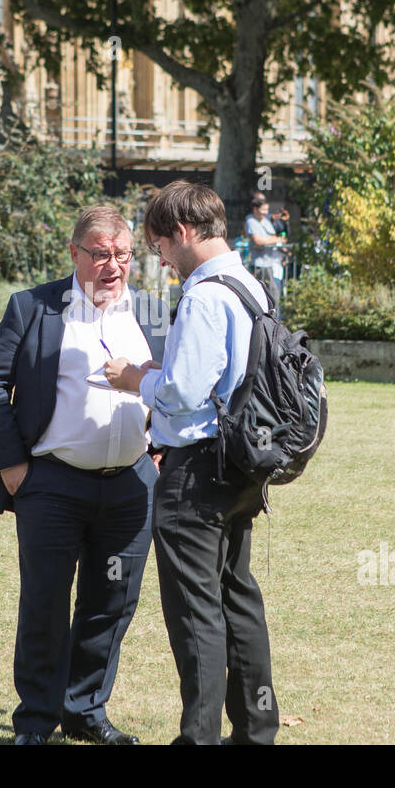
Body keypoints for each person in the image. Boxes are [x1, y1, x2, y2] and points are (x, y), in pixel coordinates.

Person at [0, 206, 171, 745]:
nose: (112, 265)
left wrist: (159, 454)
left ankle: (86, 711)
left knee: (112, 603)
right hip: (52, 485)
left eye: (123, 254)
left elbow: (178, 388)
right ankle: (35, 720)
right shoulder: (33, 308)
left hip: (131, 486)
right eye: (100, 253)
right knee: (45, 602)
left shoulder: (153, 314)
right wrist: (13, 466)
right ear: (74, 253)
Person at [104, 180, 280, 745]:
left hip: (197, 469)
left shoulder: (205, 293)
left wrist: (135, 377)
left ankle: (198, 737)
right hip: (244, 464)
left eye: (158, 247)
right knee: (237, 598)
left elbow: (181, 393)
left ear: (180, 233)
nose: (162, 261)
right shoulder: (250, 282)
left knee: (195, 613)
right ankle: (254, 731)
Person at [244, 194, 287, 306]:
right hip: (259, 266)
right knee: (268, 295)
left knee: (274, 296)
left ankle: (273, 320)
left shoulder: (266, 221)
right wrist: (273, 239)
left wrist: (269, 239)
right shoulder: (250, 221)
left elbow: (273, 237)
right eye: (263, 210)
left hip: (269, 264)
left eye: (266, 210)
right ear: (255, 209)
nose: (265, 213)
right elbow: (258, 242)